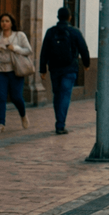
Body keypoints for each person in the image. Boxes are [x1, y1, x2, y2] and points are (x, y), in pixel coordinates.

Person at [39, 7, 90, 135]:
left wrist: (42, 69)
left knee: (57, 94)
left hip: (55, 68)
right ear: (70, 17)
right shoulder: (74, 32)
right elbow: (83, 48)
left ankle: (59, 121)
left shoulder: (51, 32)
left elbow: (44, 51)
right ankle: (60, 124)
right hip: (70, 68)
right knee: (65, 95)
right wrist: (86, 63)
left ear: (58, 17)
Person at [0, 13, 32, 132]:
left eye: (7, 21)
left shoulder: (19, 36)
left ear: (11, 23)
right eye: (2, 21)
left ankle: (23, 114)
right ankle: (1, 124)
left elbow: (28, 50)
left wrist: (14, 48)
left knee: (16, 97)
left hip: (15, 70)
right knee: (1, 97)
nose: (4, 23)